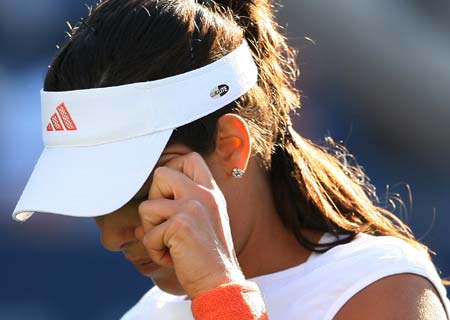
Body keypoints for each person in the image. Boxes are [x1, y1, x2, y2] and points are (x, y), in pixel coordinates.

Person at [12, 0, 449, 319]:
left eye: (137, 192)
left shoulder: (386, 293)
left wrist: (221, 298)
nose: (112, 236)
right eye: (95, 200)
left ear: (232, 146)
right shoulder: (149, 313)